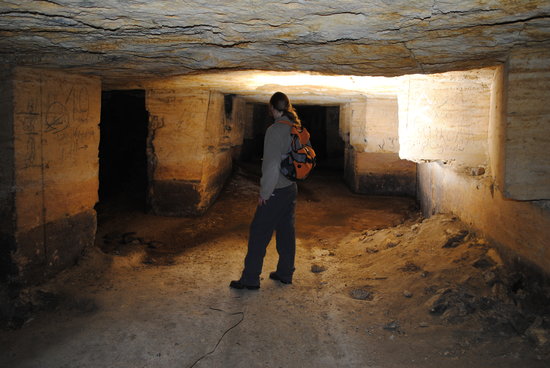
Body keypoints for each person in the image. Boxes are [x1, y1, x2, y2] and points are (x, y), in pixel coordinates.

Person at [230, 92, 301, 290]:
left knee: (259, 232)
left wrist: (264, 193)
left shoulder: (275, 130)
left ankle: (250, 278)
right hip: (291, 188)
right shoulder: (295, 126)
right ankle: (285, 273)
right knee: (286, 231)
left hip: (277, 189)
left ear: (272, 108)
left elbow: (270, 166)